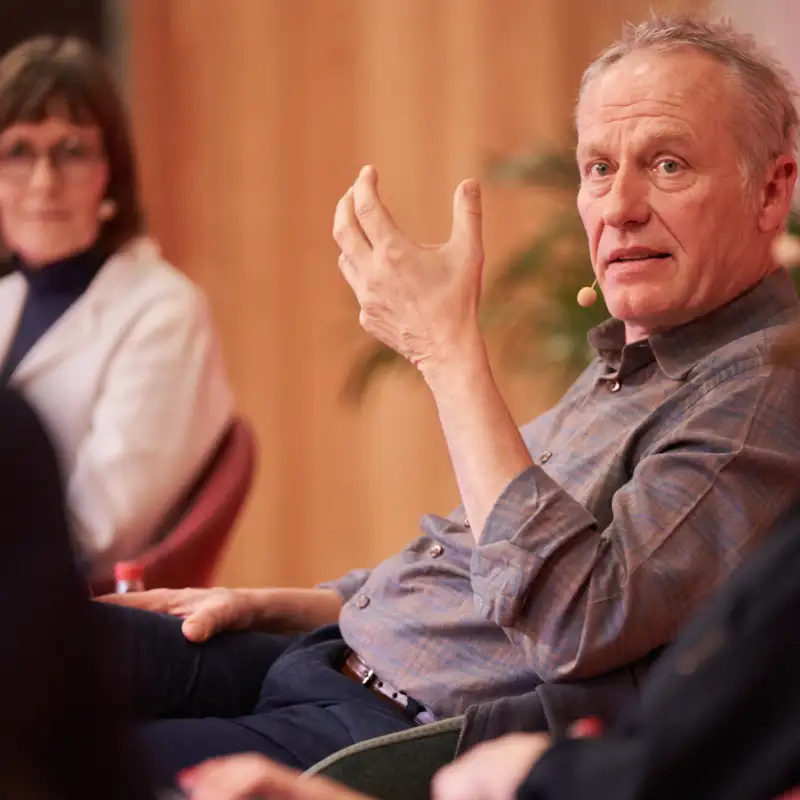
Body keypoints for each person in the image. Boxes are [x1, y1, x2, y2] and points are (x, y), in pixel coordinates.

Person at [101, 11, 800, 787]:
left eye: (667, 165)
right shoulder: (648, 349)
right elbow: (479, 574)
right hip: (319, 654)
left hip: (386, 731)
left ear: (772, 190)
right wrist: (284, 602)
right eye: (598, 168)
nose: (618, 206)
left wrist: (446, 351)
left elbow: (578, 621)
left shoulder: (761, 394)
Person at [0, 36, 234, 579]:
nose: (44, 182)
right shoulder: (6, 300)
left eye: (72, 151)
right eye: (17, 152)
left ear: (113, 172)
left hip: (73, 616)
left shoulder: (164, 311)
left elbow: (99, 534)